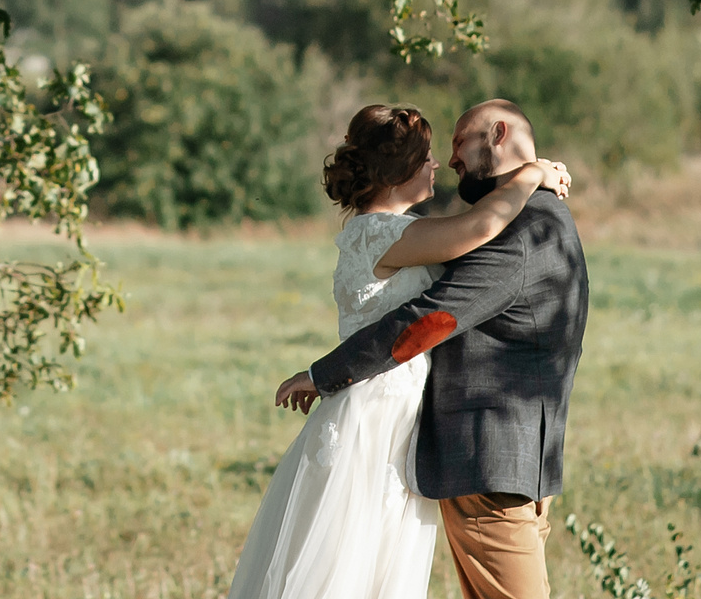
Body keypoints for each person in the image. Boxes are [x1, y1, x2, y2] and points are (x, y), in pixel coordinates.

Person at [226, 104, 572, 599]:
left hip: (397, 420)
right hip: (378, 422)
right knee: (352, 563)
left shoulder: (395, 232)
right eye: (427, 156)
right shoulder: (384, 233)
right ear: (397, 171)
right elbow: (478, 229)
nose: (437, 166)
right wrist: (534, 171)